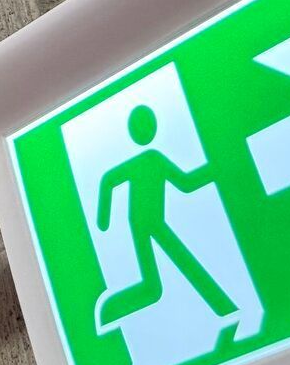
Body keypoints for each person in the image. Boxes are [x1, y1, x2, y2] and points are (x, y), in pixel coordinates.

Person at [94, 103, 236, 327]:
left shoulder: (156, 159)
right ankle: (223, 306)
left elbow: (185, 183)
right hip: (141, 223)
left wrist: (211, 171)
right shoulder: (144, 161)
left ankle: (224, 307)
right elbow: (109, 180)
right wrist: (103, 219)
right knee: (163, 276)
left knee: (154, 283)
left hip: (152, 222)